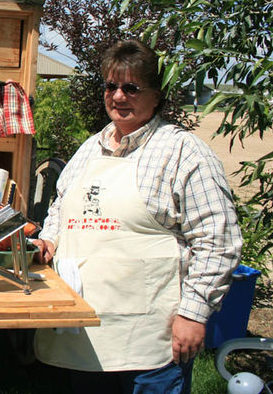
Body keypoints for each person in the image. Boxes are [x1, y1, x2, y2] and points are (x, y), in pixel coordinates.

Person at [31, 39, 242, 393]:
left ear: (156, 95)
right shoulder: (89, 148)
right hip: (81, 338)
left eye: (131, 87)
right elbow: (61, 209)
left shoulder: (183, 152)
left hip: (148, 346)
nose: (117, 96)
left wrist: (193, 313)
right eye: (111, 86)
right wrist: (49, 239)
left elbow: (218, 240)